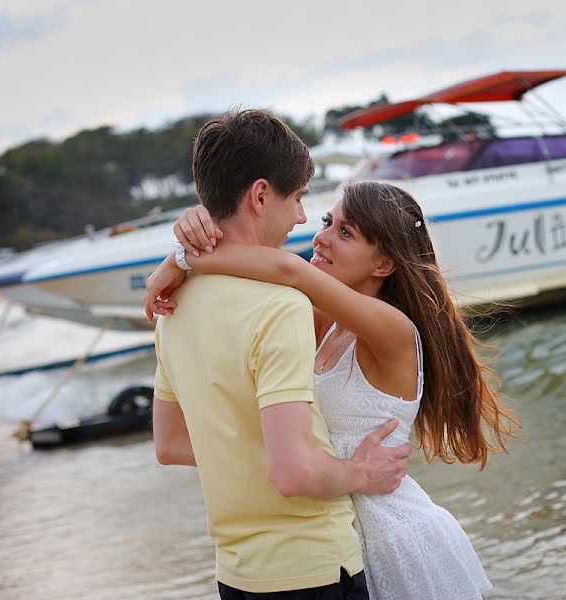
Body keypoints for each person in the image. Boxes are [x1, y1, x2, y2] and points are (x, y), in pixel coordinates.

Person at [145, 180, 522, 599]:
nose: (320, 237)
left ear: (382, 264)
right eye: (328, 221)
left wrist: (181, 259)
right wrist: (189, 237)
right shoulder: (318, 321)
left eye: (345, 232)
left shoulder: (393, 330)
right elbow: (254, 280)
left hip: (393, 544)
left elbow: (286, 268)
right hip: (331, 548)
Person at [150, 110, 412, 600]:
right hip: (311, 566)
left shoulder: (171, 306)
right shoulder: (280, 307)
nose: (301, 219)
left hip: (238, 575)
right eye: (297, 199)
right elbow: (292, 472)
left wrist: (180, 259)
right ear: (261, 194)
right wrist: (360, 471)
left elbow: (170, 444)